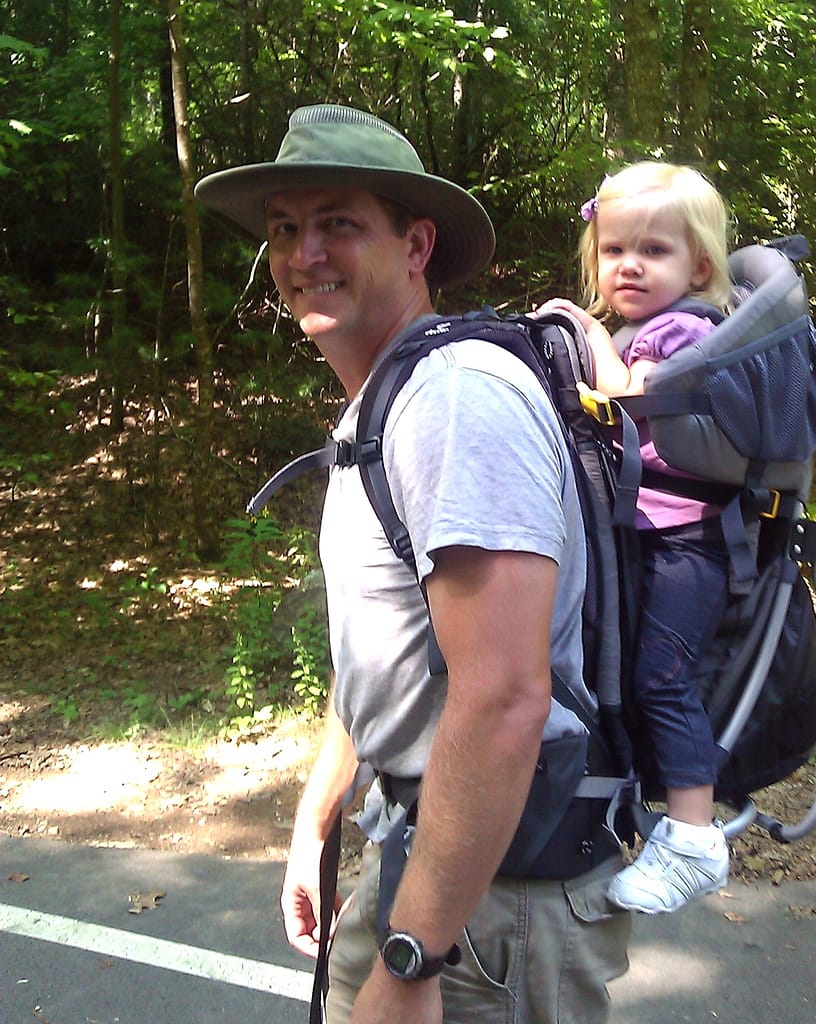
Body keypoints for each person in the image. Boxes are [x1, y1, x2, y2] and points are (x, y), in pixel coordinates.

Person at [195, 104, 630, 1024]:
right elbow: (394, 648)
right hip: (430, 863)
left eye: (339, 224)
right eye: (284, 228)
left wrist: (413, 954)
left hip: (485, 911)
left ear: (417, 245)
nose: (302, 252)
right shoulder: (387, 406)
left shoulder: (456, 399)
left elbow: (506, 695)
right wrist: (321, 810)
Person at [538, 162, 734, 915]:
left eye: (653, 251)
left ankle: (695, 842)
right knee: (629, 672)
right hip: (655, 538)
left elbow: (627, 400)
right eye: (614, 249)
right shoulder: (643, 329)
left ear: (699, 266)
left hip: (693, 545)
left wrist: (585, 336)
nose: (629, 264)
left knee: (660, 676)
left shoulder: (682, 328)